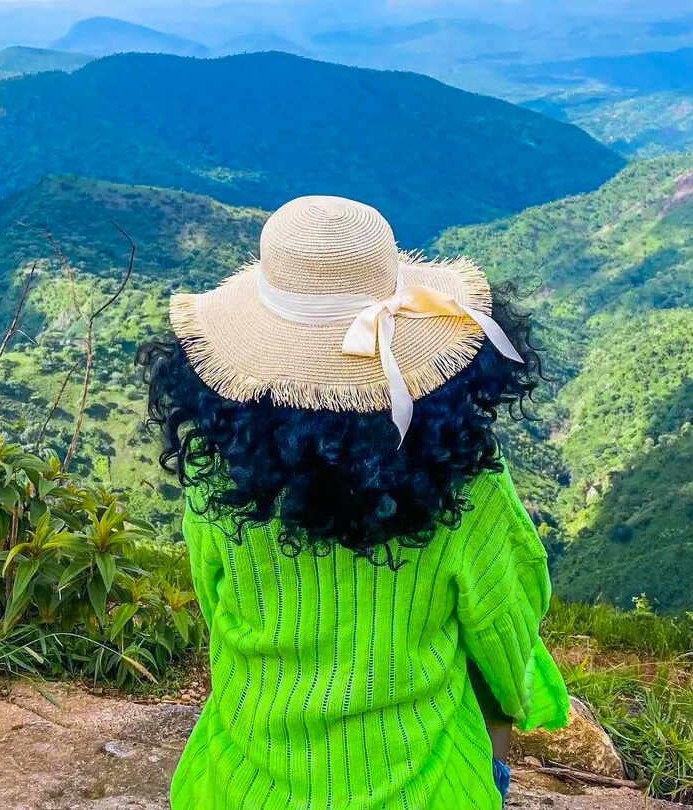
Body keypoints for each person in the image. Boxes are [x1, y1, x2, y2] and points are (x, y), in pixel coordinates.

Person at [138, 196, 569, 809]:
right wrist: (510, 726)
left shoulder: (217, 478)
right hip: (421, 788)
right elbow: (505, 626)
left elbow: (220, 609)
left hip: (242, 785)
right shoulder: (467, 485)